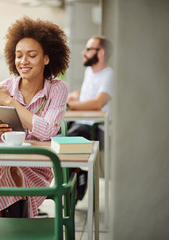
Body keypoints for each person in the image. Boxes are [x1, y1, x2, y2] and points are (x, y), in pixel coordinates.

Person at [0, 16, 70, 218]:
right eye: (18, 55)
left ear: (46, 58)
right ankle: (7, 226)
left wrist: (10, 102)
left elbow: (46, 132)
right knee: (0, 171)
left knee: (6, 174)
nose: (23, 61)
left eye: (31, 55)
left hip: (35, 168)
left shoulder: (57, 90)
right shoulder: (1, 88)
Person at [66, 36, 113, 202]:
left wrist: (70, 106)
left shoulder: (109, 75)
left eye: (88, 49)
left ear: (100, 52)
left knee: (68, 142)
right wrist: (76, 95)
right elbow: (90, 94)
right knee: (52, 133)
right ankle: (74, 177)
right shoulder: (89, 72)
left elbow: (98, 103)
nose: (83, 52)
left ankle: (77, 179)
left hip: (97, 128)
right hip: (81, 123)